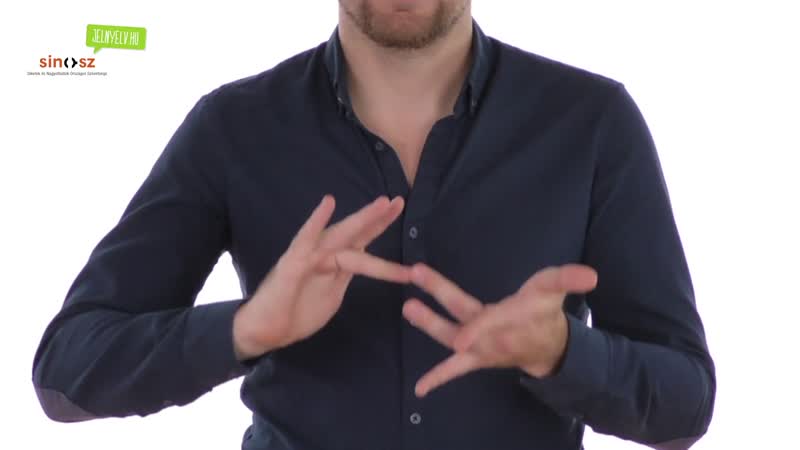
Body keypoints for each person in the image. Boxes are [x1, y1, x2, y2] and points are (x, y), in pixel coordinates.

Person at [31, 1, 716, 449]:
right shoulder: (232, 128)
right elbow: (66, 372)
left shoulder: (592, 123)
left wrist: (562, 352)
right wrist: (245, 328)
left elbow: (685, 403)